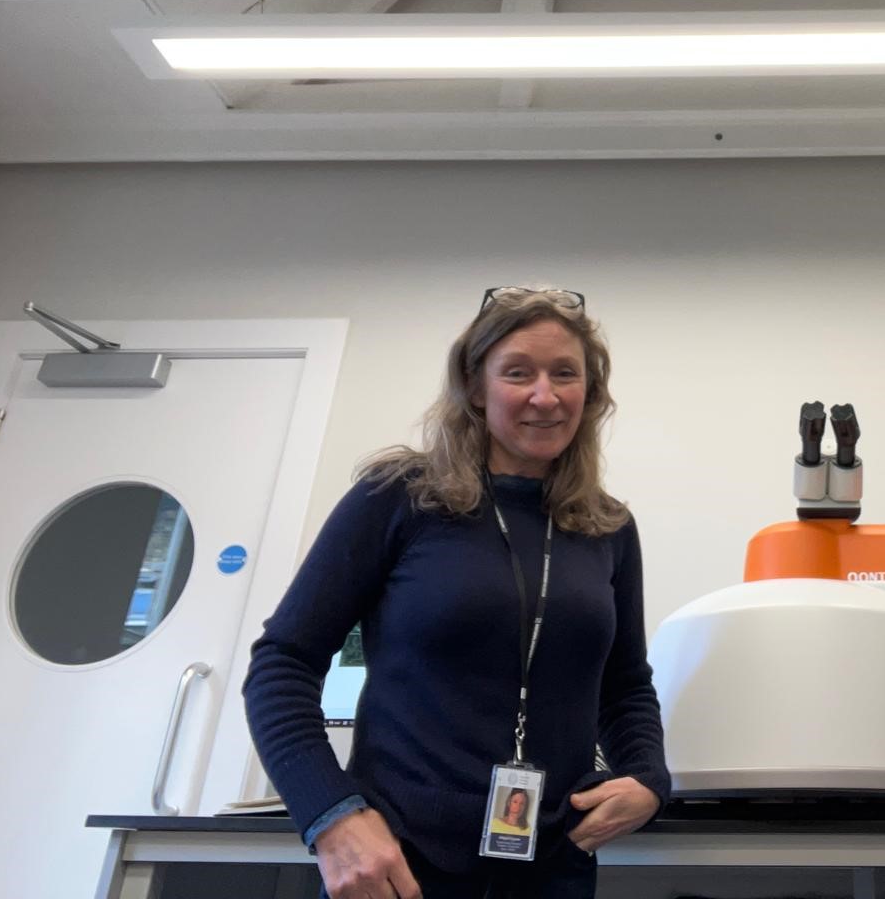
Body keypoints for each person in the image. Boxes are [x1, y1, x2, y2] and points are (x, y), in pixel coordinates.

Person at [245, 287, 669, 899]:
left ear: (591, 394)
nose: (544, 396)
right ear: (475, 387)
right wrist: (331, 816)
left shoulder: (607, 527)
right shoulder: (399, 496)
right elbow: (282, 663)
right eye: (518, 372)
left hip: (554, 866)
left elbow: (625, 684)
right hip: (399, 866)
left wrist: (649, 778)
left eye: (565, 374)